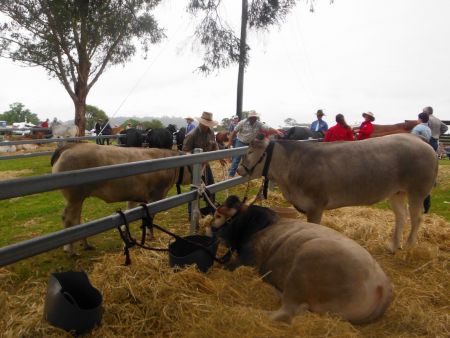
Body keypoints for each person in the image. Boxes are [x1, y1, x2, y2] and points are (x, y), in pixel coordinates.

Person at [182, 111, 224, 219]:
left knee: (211, 186)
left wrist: (220, 157)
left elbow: (214, 145)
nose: (207, 125)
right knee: (196, 189)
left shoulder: (210, 132)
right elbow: (185, 151)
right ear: (201, 122)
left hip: (206, 164)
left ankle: (209, 210)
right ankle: (192, 214)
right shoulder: (192, 134)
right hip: (195, 166)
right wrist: (194, 161)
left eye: (208, 124)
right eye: (205, 123)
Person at [227, 110, 283, 177]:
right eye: (252, 117)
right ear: (249, 118)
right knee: (237, 158)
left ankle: (245, 173)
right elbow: (234, 132)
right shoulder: (242, 123)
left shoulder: (258, 123)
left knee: (248, 159)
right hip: (240, 142)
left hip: (250, 143)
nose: (254, 119)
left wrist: (276, 131)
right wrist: (230, 142)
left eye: (255, 117)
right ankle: (231, 175)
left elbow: (267, 128)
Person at [411, 112, 433, 213]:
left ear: (420, 119)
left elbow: (411, 141)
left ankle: (419, 206)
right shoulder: (428, 129)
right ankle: (426, 205)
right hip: (426, 153)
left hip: (416, 154)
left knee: (414, 181)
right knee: (424, 181)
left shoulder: (417, 128)